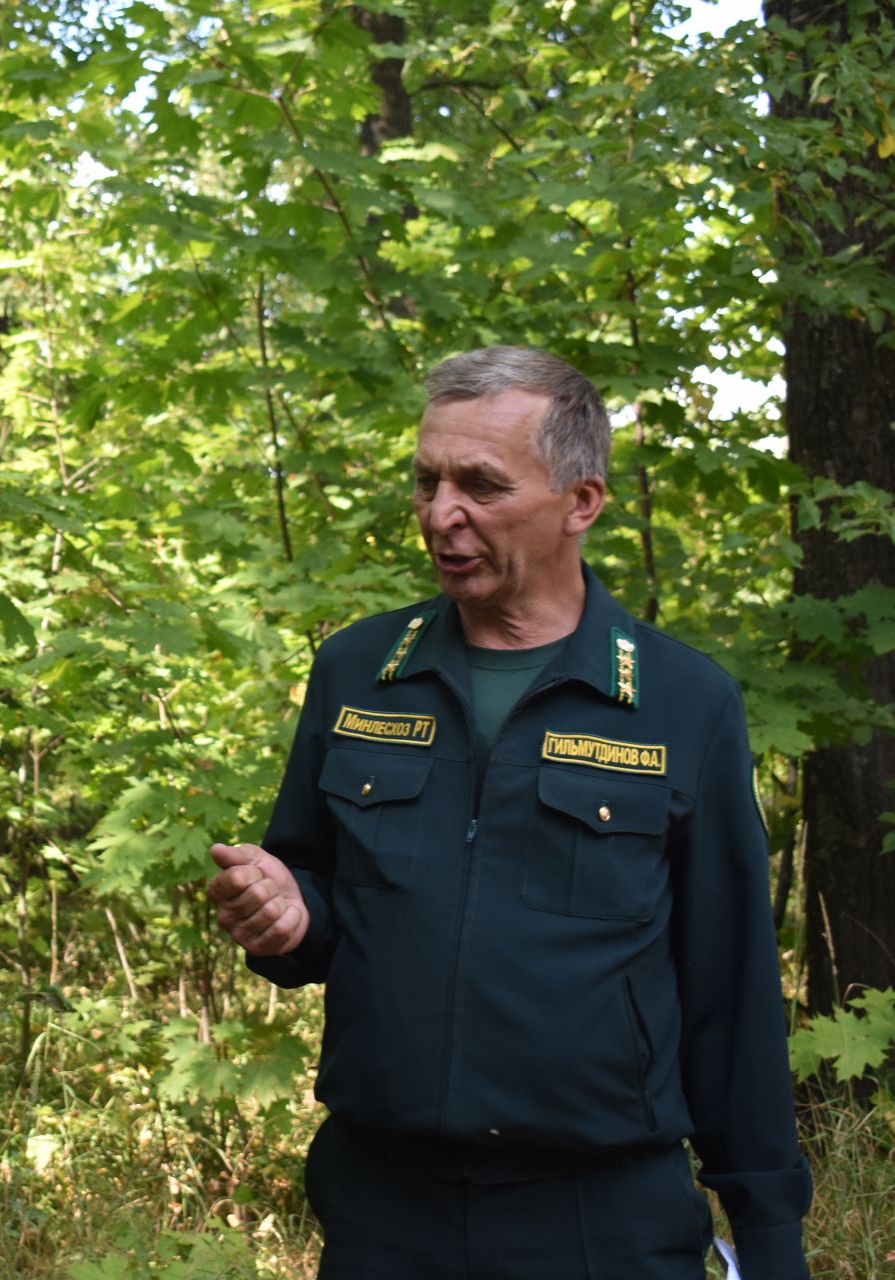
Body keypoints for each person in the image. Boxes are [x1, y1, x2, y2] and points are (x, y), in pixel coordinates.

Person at [209, 346, 811, 1278]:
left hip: (599, 1218)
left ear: (582, 502)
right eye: (427, 481)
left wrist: (771, 1240)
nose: (441, 514)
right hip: (383, 1211)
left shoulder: (683, 703)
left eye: (481, 486)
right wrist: (285, 917)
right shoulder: (360, 673)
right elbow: (318, 907)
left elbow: (731, 992)